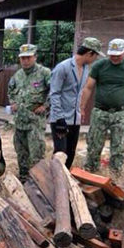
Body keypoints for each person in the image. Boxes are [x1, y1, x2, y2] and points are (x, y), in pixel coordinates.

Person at [79, 38, 124, 175]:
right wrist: (82, 108)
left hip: (120, 113)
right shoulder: (99, 66)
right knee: (94, 145)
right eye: (112, 54)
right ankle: (91, 173)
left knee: (119, 147)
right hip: (100, 112)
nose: (114, 57)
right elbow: (88, 88)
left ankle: (115, 175)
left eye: (117, 55)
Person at [49, 37, 104, 168]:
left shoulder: (86, 69)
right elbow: (54, 93)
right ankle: (54, 182)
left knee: (71, 153)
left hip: (75, 118)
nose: (95, 59)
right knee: (60, 154)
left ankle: (66, 183)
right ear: (89, 53)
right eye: (95, 56)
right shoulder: (63, 67)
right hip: (61, 118)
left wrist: (81, 110)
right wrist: (59, 118)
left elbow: (81, 91)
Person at [8, 43, 51, 182]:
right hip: (20, 121)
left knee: (36, 153)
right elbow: (11, 90)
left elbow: (54, 90)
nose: (25, 61)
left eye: (28, 57)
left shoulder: (44, 73)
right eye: (22, 58)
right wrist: (13, 102)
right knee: (21, 153)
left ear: (35, 57)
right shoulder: (18, 75)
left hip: (35, 122)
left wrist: (45, 105)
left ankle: (39, 182)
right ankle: (24, 180)